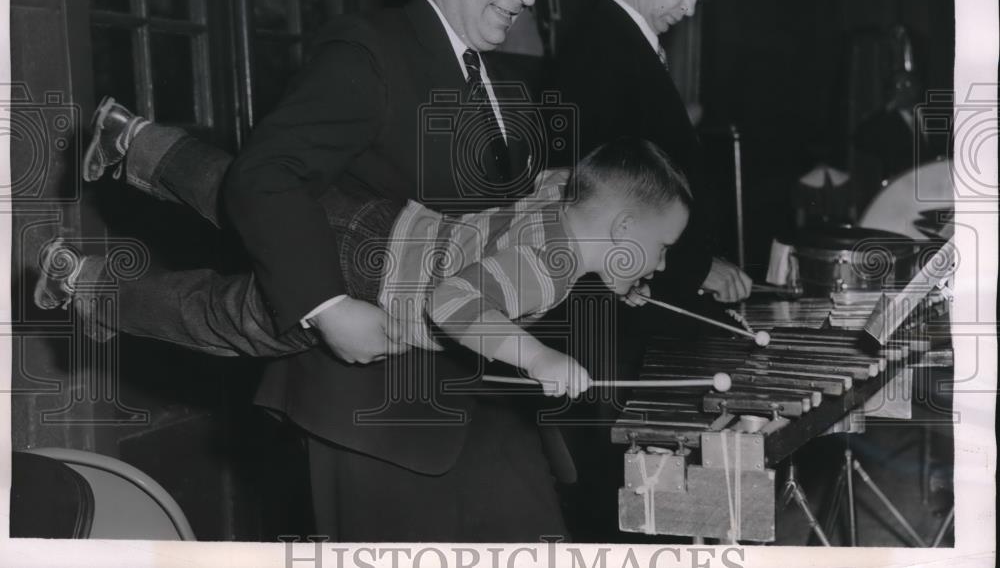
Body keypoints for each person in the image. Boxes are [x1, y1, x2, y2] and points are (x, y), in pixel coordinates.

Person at [71, 0, 568, 542]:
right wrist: (329, 309)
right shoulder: (370, 52)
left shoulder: (505, 90)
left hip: (487, 400)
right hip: (376, 413)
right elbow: (263, 177)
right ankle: (89, 282)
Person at [39, 119, 692, 402]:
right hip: (361, 281)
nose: (661, 263)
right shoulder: (545, 271)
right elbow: (455, 304)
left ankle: (134, 139)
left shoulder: (556, 202)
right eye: (661, 249)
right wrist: (539, 357)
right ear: (626, 227)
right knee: (224, 319)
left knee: (246, 195)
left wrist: (613, 275)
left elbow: (559, 207)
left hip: (376, 221)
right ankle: (84, 283)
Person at [553, 0, 752, 539]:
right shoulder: (601, 46)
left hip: (641, 300)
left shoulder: (629, 43)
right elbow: (601, 197)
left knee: (650, 505)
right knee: (618, 511)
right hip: (612, 317)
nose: (691, 9)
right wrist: (693, 266)